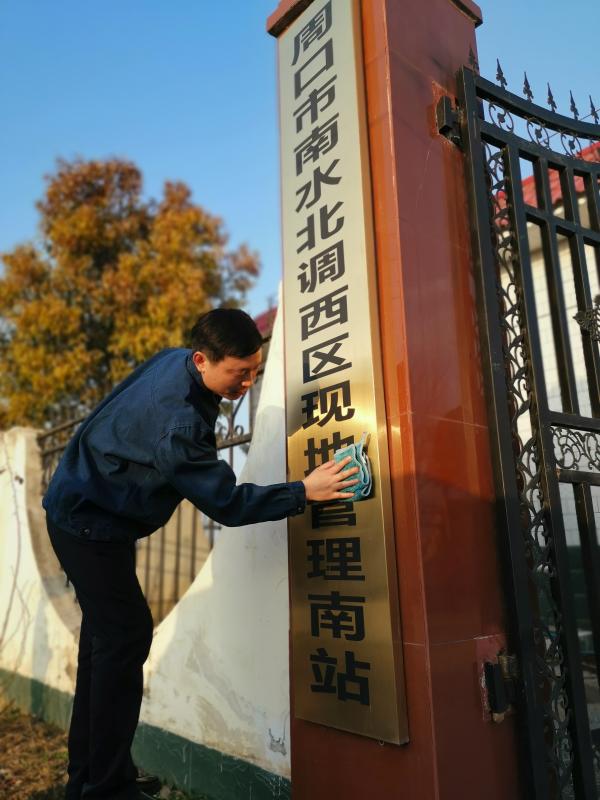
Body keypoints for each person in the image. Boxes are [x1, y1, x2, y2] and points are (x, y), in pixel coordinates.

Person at [43, 307, 359, 800]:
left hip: (89, 507)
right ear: (202, 360)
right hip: (88, 523)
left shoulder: (177, 362)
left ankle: (92, 778)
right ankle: (105, 787)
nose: (248, 384)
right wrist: (304, 491)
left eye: (255, 371)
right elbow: (226, 503)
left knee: (105, 644)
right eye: (239, 373)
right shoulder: (180, 424)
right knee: (124, 637)